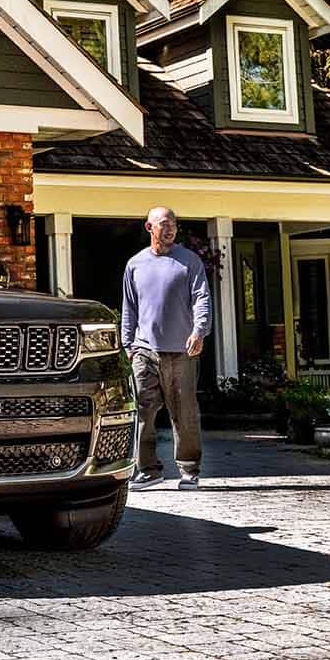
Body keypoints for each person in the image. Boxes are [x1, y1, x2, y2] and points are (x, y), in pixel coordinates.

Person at [120, 206, 211, 490]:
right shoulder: (135, 264)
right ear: (149, 228)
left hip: (181, 351)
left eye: (173, 223)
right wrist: (127, 343)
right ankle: (147, 470)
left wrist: (199, 330)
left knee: (183, 412)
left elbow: (201, 299)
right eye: (164, 223)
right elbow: (129, 307)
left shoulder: (189, 261)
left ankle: (189, 469)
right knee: (142, 412)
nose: (170, 228)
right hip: (144, 350)